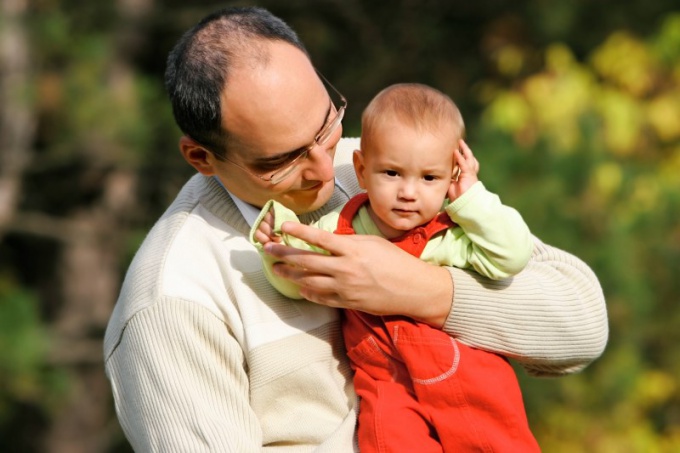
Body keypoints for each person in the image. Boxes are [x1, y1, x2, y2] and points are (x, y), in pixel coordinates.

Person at [103, 6, 608, 452]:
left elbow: (582, 327)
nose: (325, 169)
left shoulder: (377, 171)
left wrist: (420, 290)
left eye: (326, 125)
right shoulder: (171, 301)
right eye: (282, 161)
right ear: (200, 157)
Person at [250, 83, 539, 452]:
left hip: (465, 376)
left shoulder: (450, 233)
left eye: (429, 178)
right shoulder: (340, 231)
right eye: (392, 173)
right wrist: (276, 244)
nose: (408, 192)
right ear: (362, 168)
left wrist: (473, 196)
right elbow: (299, 280)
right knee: (388, 440)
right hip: (386, 380)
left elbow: (512, 255)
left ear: (451, 178)